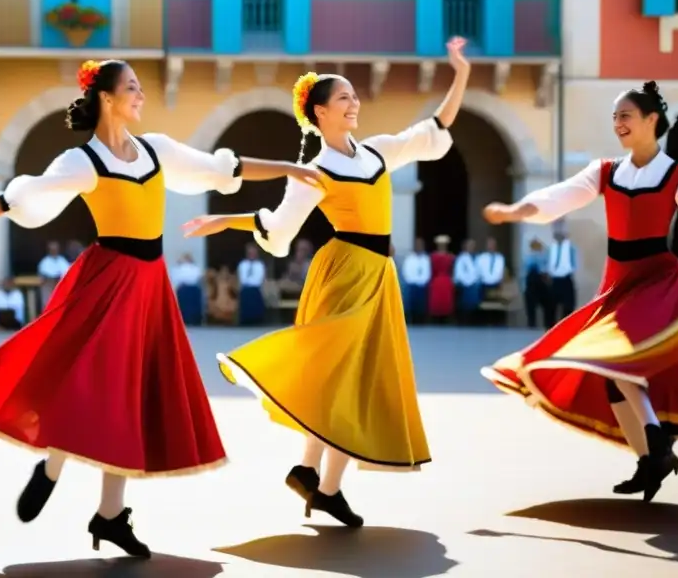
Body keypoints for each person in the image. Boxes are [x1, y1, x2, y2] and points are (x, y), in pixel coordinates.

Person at [0, 59, 323, 558]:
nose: (141, 95)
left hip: (150, 285)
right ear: (107, 98)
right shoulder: (83, 162)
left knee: (127, 395)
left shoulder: (157, 150)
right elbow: (19, 197)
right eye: (132, 88)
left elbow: (222, 168)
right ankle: (56, 468)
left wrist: (291, 168)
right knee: (91, 381)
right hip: (107, 282)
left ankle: (108, 515)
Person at [184, 37, 471, 527]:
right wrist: (226, 220)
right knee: (349, 377)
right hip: (345, 272)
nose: (355, 103)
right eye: (344, 98)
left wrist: (460, 73)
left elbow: (435, 129)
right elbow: (278, 231)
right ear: (319, 112)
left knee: (351, 376)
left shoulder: (378, 151)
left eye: (355, 97)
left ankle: (309, 472)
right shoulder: (313, 171)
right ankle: (326, 487)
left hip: (379, 274)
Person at [481, 81, 678, 503]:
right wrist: (516, 211)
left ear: (652, 121)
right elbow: (558, 197)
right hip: (618, 281)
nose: (618, 123)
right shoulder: (605, 171)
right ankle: (649, 459)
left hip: (657, 279)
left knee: (618, 360)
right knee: (611, 379)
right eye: (615, 116)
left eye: (626, 115)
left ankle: (656, 444)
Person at [400, 237, 431, 325]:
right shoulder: (409, 258)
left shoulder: (426, 258)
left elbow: (427, 272)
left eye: (420, 245)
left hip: (422, 285)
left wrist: (422, 281)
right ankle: (412, 320)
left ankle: (421, 321)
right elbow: (406, 271)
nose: (419, 247)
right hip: (411, 284)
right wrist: (412, 281)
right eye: (417, 245)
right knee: (410, 303)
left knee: (421, 305)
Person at [427, 235, 455, 322]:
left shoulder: (450, 256)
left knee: (446, 299)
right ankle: (436, 317)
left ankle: (446, 317)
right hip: (437, 279)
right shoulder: (433, 256)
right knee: (436, 298)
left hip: (445, 279)